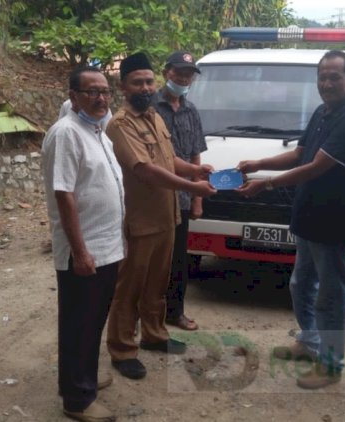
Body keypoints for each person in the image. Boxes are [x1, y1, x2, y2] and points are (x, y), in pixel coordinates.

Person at [236, 50, 345, 389]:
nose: (326, 83)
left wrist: (265, 183)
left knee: (331, 294)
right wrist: (258, 164)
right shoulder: (323, 112)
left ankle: (331, 363)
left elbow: (315, 167)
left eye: (334, 77)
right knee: (301, 285)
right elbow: (300, 154)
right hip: (308, 217)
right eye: (322, 77)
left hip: (333, 222)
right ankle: (310, 342)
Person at [105, 52, 216, 380]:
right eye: (137, 82)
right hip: (141, 221)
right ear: (123, 87)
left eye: (148, 81)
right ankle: (122, 349)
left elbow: (169, 159)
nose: (145, 87)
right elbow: (146, 170)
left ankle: (154, 335)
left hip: (167, 217)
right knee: (130, 287)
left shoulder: (154, 117)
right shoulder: (121, 125)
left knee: (157, 282)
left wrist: (195, 170)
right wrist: (192, 187)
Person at [42, 66, 123, 422]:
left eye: (105, 91)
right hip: (85, 250)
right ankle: (77, 399)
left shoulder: (97, 131)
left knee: (92, 321)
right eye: (92, 92)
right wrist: (80, 251)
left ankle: (83, 378)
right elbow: (65, 194)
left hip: (106, 246)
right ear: (73, 97)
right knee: (79, 323)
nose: (101, 98)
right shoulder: (67, 133)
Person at [153, 51, 206, 332]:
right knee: (150, 258)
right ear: (166, 73)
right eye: (179, 72)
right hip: (154, 196)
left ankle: (175, 312)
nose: (184, 78)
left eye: (189, 74)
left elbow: (196, 155)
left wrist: (197, 199)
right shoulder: (150, 108)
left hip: (183, 198)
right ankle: (145, 314)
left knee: (178, 259)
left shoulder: (191, 111)